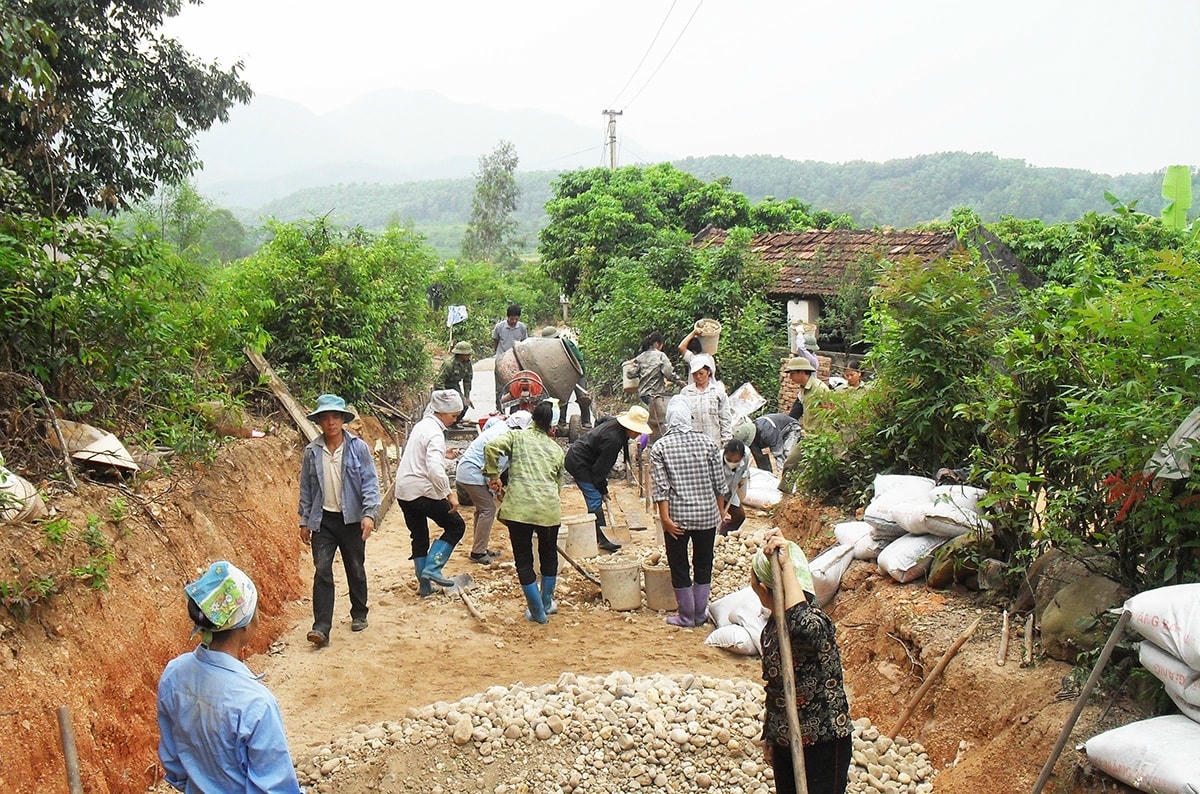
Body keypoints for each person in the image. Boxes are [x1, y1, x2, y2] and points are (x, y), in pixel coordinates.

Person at [157, 561, 302, 794]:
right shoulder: (257, 704)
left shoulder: (174, 674)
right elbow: (276, 789)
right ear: (245, 625)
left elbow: (174, 764)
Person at [750, 531, 852, 794]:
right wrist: (772, 733)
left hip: (823, 742)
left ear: (763, 588)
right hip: (787, 740)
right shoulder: (773, 628)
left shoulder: (814, 619)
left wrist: (786, 566)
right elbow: (776, 688)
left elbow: (805, 628)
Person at [298, 394, 380, 647]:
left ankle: (359, 612)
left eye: (335, 417)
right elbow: (306, 488)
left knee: (355, 566)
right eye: (325, 418)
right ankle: (321, 628)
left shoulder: (358, 448)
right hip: (323, 520)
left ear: (343, 419)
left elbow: (370, 482)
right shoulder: (312, 452)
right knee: (322, 570)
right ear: (319, 421)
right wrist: (304, 520)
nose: (331, 422)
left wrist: (369, 514)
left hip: (352, 519)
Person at [484, 401, 564, 623]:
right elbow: (558, 486)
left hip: (519, 511)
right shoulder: (557, 450)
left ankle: (537, 613)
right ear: (552, 426)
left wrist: (493, 476)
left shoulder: (516, 437)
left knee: (524, 559)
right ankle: (546, 603)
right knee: (549, 555)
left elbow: (491, 448)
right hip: (548, 511)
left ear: (532, 418)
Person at [651, 396, 726, 628]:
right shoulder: (708, 443)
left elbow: (661, 488)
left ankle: (686, 615)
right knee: (704, 563)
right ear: (689, 417)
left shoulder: (660, 447)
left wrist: (665, 519)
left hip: (677, 518)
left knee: (679, 564)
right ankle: (700, 614)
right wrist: (720, 513)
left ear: (669, 419)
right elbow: (720, 484)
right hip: (706, 516)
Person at [395, 389, 467, 596]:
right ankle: (434, 567)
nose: (455, 420)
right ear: (442, 412)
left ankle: (425, 586)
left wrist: (444, 454)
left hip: (404, 491)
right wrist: (448, 493)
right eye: (453, 416)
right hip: (421, 491)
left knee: (419, 536)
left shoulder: (422, 425)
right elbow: (434, 469)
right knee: (456, 526)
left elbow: (421, 455)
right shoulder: (435, 433)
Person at [564, 405, 652, 552]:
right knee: (594, 498)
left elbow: (600, 421)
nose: (638, 434)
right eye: (637, 430)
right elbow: (599, 471)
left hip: (587, 459)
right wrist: (603, 489)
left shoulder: (616, 425)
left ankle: (601, 534)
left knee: (596, 494)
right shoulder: (613, 440)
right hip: (578, 461)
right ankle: (602, 539)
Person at [455, 410, 532, 565]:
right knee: (488, 509)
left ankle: (480, 547)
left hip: (470, 470)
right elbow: (494, 465)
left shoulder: (500, 425)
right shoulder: (506, 437)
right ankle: (478, 553)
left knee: (482, 510)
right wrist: (494, 482)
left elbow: (495, 466)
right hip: (472, 472)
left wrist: (494, 483)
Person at [540, 326, 592, 427]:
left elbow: (579, 358)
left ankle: (586, 421)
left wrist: (581, 374)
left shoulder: (567, 344)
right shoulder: (547, 349)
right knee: (562, 398)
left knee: (583, 398)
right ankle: (561, 422)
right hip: (563, 375)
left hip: (577, 372)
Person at [631, 331, 680, 439]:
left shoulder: (640, 357)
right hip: (656, 395)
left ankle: (644, 441)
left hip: (643, 394)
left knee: (650, 418)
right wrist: (679, 381)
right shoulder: (660, 356)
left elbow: (630, 373)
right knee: (658, 422)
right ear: (657, 344)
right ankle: (651, 442)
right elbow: (668, 373)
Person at [679, 353, 732, 446]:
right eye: (695, 374)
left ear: (708, 372)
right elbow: (681, 417)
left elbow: (725, 418)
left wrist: (726, 440)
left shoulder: (718, 392)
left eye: (701, 373)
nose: (698, 377)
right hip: (692, 442)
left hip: (713, 441)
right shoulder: (686, 393)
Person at [492, 303, 529, 407]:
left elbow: (524, 343)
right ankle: (499, 409)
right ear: (507, 317)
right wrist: (498, 355)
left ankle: (514, 411)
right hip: (501, 361)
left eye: (516, 319)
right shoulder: (499, 327)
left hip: (516, 362)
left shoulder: (522, 328)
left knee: (516, 388)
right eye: (512, 319)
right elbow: (495, 341)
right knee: (500, 389)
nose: (514, 321)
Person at [435, 341, 474, 423]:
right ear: (461, 354)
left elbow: (467, 381)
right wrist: (445, 396)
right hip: (444, 387)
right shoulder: (449, 364)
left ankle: (454, 423)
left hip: (454, 386)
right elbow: (439, 382)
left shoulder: (467, 363)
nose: (469, 356)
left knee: (464, 405)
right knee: (450, 406)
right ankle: (447, 422)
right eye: (467, 354)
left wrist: (467, 397)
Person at [720, 438, 751, 535]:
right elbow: (718, 490)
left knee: (739, 516)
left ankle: (723, 533)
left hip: (730, 491)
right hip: (714, 494)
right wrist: (721, 510)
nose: (732, 463)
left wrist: (742, 479)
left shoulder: (746, 456)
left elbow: (744, 470)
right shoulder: (716, 461)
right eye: (729, 460)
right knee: (714, 518)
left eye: (736, 461)